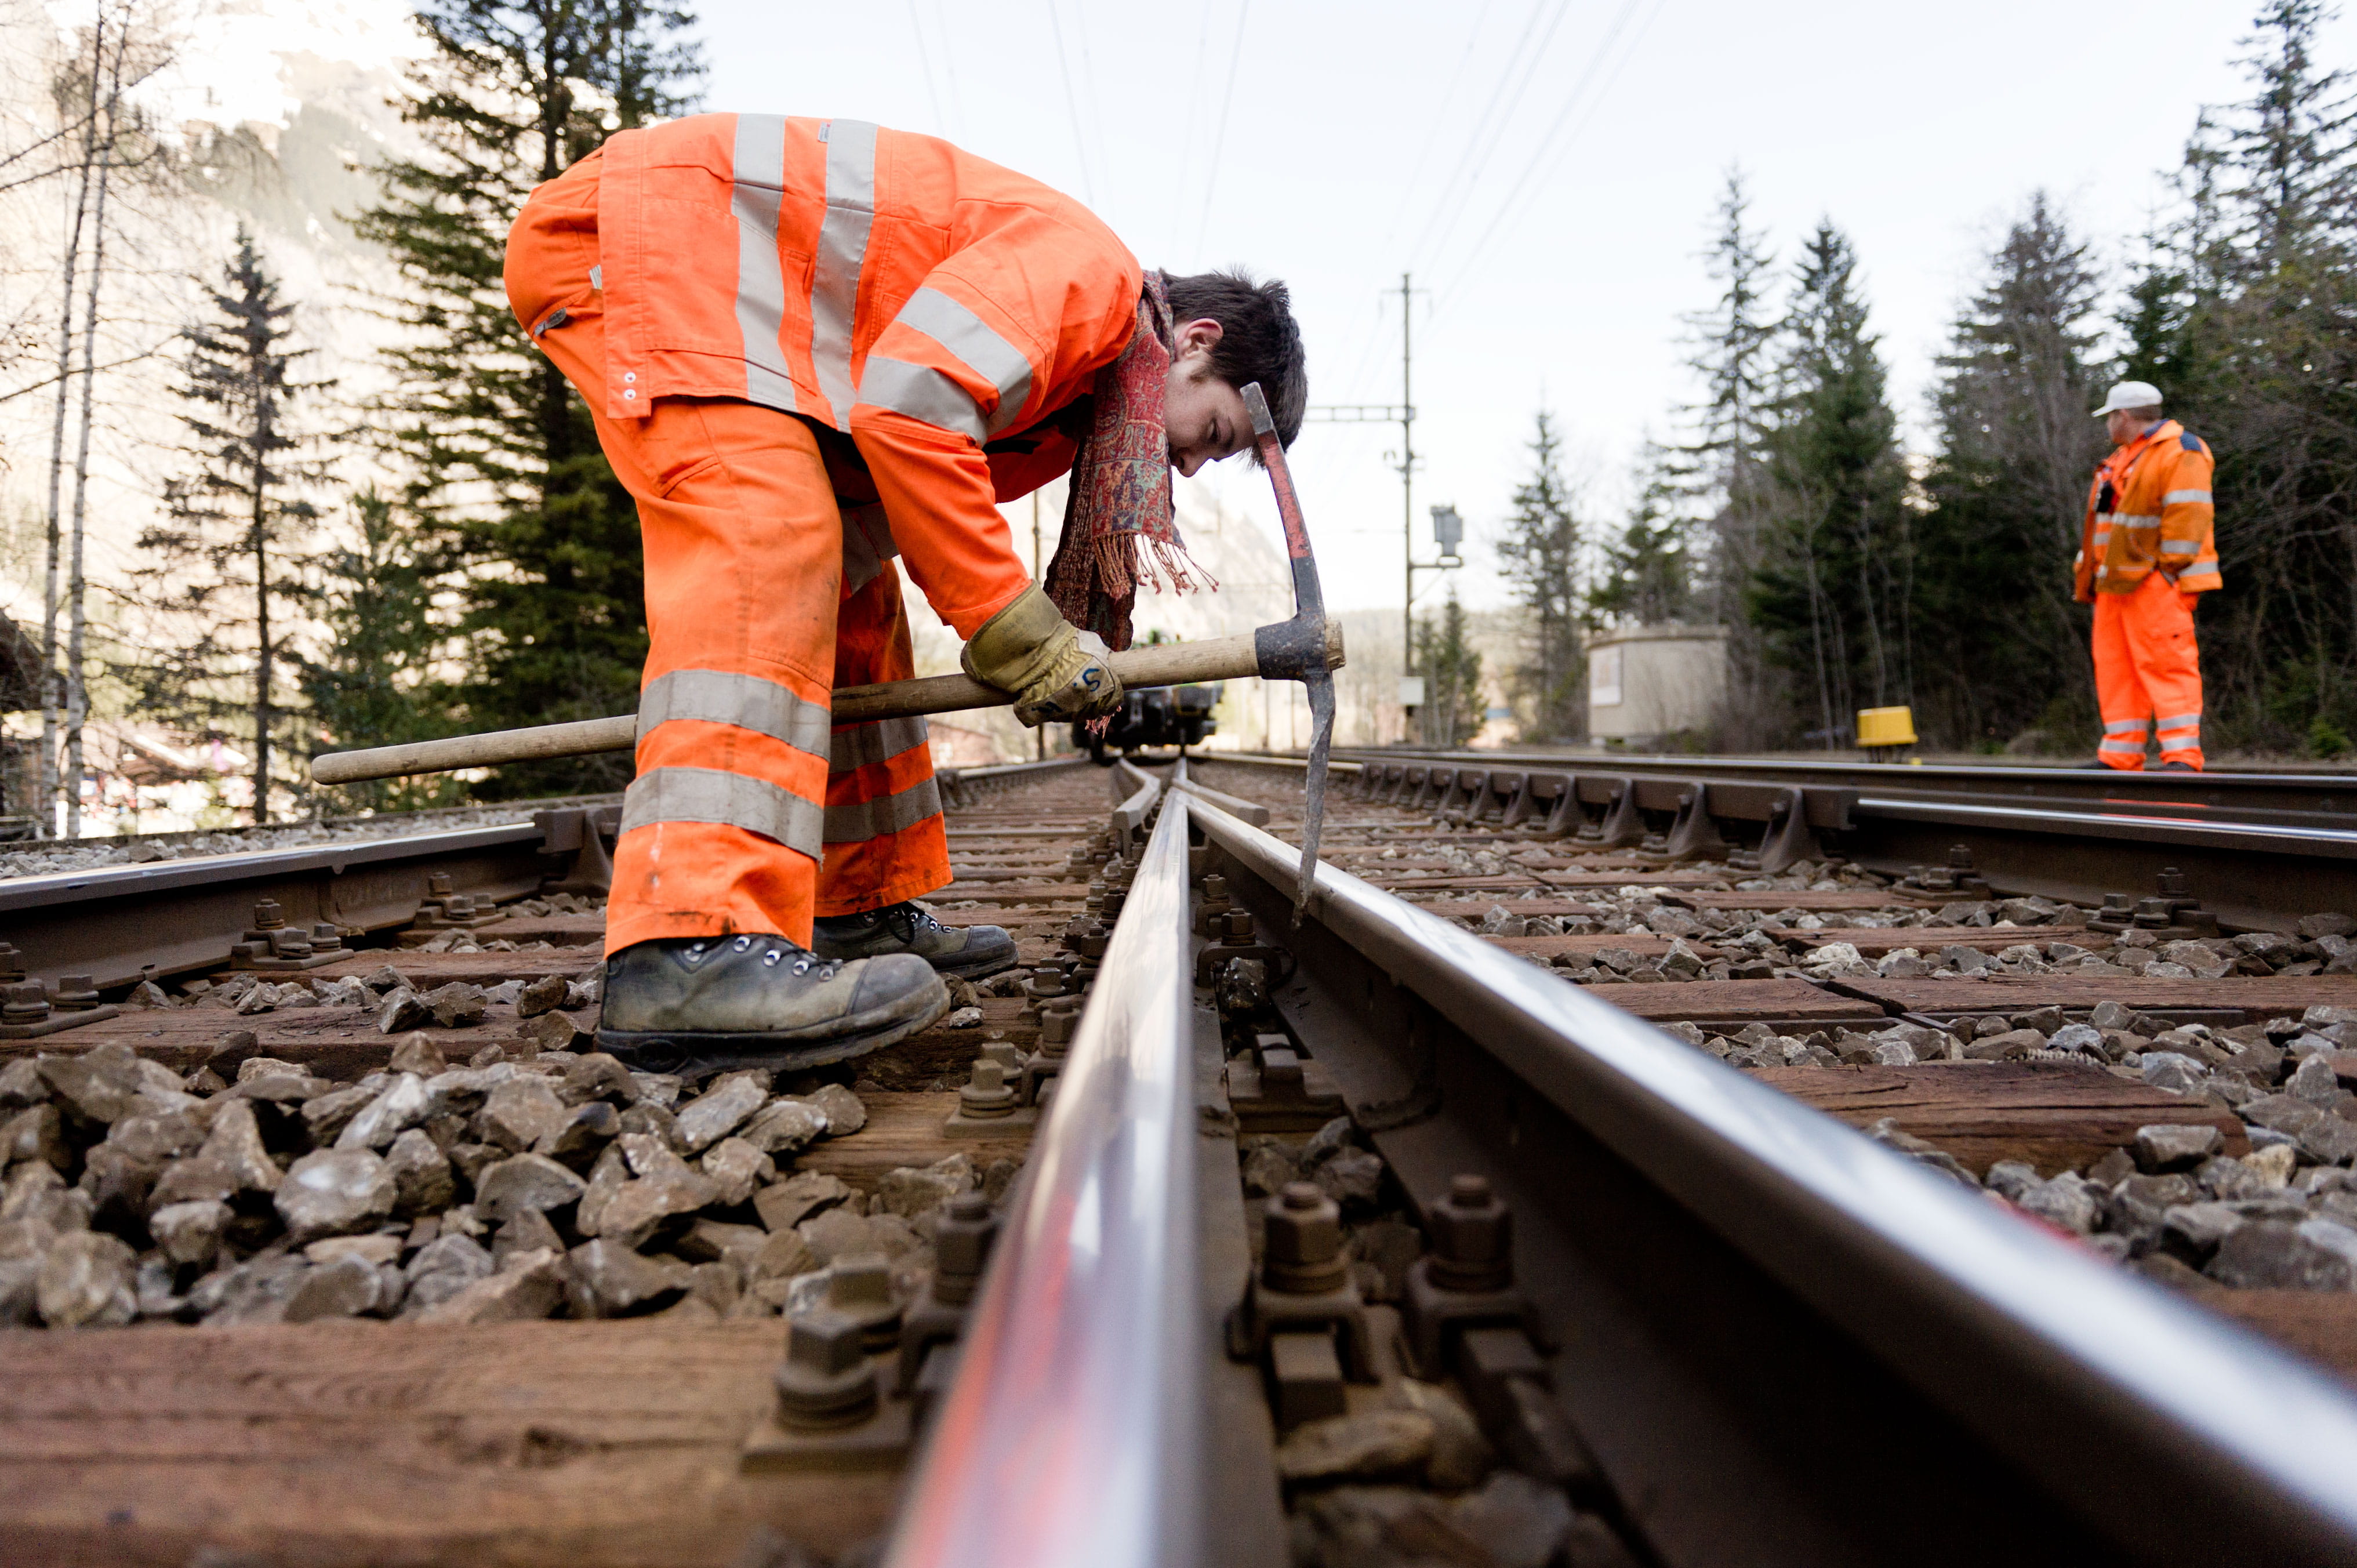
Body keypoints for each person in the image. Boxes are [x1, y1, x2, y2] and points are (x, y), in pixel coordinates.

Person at [502, 112, 1307, 1079]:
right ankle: (690, 944)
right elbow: (910, 405)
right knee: (769, 544)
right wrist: (1017, 629)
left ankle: (854, 914)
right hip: (655, 248)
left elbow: (895, 465)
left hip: (712, 293)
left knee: (852, 595)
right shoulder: (1091, 285)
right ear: (1196, 343)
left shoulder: (1070, 395)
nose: (1190, 462)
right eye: (1212, 433)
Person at [2076, 381, 2220, 772]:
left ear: (2122, 416)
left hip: (2153, 583)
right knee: (2116, 668)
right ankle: (2120, 754)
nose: (2107, 424)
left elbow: (2188, 516)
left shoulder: (2179, 451)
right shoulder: (2123, 459)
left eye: (2108, 416)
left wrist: (2167, 572)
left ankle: (2182, 757)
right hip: (2114, 584)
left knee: (2167, 664)